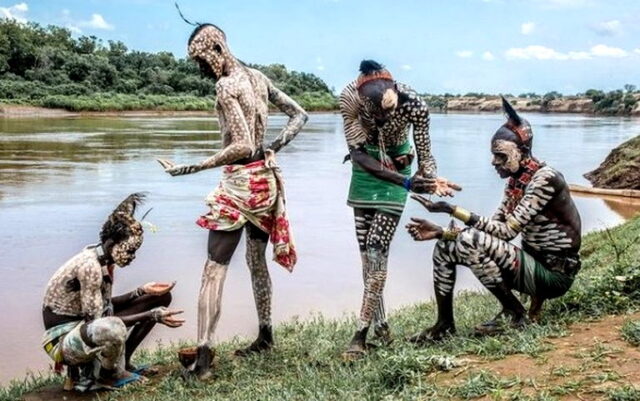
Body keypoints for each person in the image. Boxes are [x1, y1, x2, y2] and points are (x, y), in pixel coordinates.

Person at [157, 22, 308, 379]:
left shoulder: (227, 86)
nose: (201, 68)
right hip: (265, 184)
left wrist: (194, 166)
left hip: (240, 184)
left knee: (214, 269)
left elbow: (240, 145)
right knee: (256, 261)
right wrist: (272, 146)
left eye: (202, 60)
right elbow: (299, 115)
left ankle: (204, 362)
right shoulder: (257, 77)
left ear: (218, 50)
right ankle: (266, 336)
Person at [406, 97, 582, 342]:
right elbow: (492, 229)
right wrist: (442, 233)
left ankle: (515, 313)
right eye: (493, 155)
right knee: (446, 247)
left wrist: (451, 209)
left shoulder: (545, 179)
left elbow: (507, 231)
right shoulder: (516, 182)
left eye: (500, 156)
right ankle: (444, 324)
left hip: (553, 277)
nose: (494, 162)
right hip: (532, 267)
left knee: (468, 240)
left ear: (521, 153)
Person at [339, 60, 460, 358]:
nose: (380, 118)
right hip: (368, 169)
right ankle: (381, 326)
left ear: (395, 96)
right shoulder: (349, 98)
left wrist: (429, 180)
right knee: (367, 256)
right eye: (374, 113)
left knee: (378, 249)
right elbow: (357, 155)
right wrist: (405, 182)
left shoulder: (415, 105)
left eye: (387, 113)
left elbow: (425, 155)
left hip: (399, 170)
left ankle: (360, 334)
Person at [42, 193, 184, 391]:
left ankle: (123, 363)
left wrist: (141, 291)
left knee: (159, 297)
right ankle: (111, 374)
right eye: (129, 251)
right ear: (110, 244)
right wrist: (152, 315)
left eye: (135, 252)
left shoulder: (105, 262)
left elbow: (104, 307)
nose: (133, 257)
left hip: (87, 327)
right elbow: (99, 322)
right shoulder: (90, 266)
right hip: (64, 342)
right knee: (113, 326)